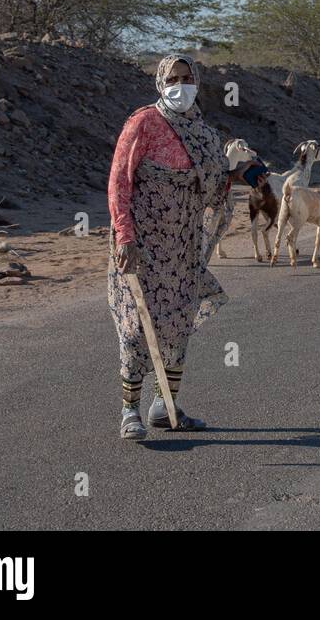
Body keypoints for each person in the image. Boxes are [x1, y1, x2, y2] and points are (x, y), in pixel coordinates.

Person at [106, 54, 249, 440]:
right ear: (160, 81)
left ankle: (165, 406)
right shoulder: (143, 124)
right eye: (173, 78)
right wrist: (125, 236)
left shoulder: (201, 131)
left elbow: (210, 188)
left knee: (176, 324)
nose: (181, 86)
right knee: (137, 326)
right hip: (141, 244)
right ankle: (129, 410)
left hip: (182, 246)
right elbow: (119, 182)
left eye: (188, 78)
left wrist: (233, 176)